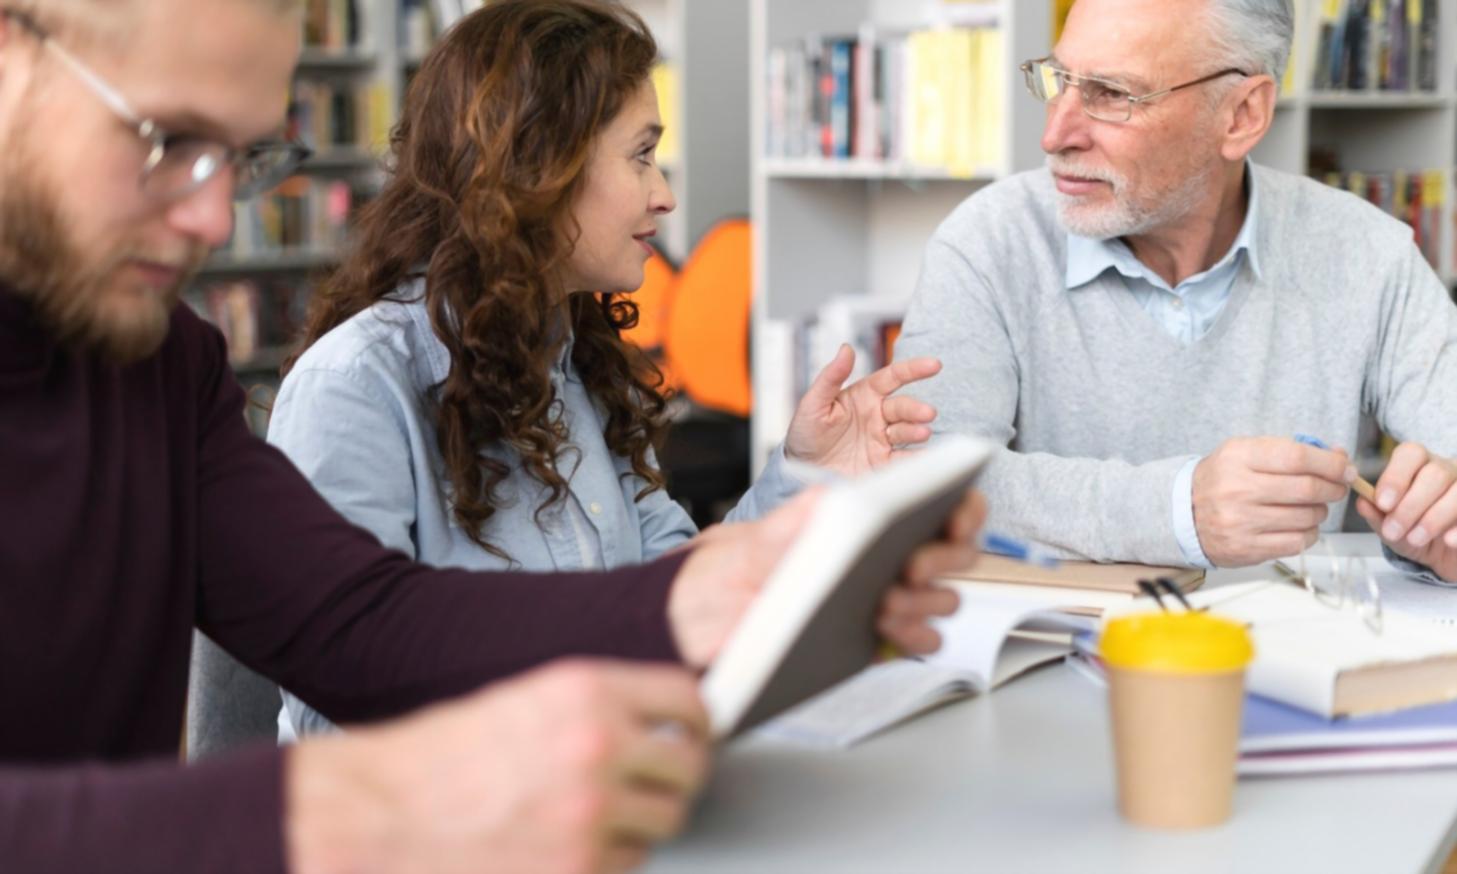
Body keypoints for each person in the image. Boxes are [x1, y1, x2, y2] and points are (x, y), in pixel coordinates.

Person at [0, 1, 983, 870]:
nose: (214, 215)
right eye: (168, 137)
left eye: (247, 156)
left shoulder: (160, 365)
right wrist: (360, 804)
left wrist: (710, 592)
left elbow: (352, 622)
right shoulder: (354, 379)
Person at [267, 0, 947, 739]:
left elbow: (677, 593)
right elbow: (337, 708)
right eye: (640, 154)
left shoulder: (571, 361)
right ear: (538, 165)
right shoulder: (357, 386)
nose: (665, 193)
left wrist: (807, 474)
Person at [894, 0, 1457, 580]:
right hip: (1043, 656)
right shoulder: (987, 241)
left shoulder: (1368, 252)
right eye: (1058, 80)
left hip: (1293, 654)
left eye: (1111, 94)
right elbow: (930, 483)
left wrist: (1438, 533)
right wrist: (1178, 510)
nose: (1055, 134)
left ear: (1241, 115)